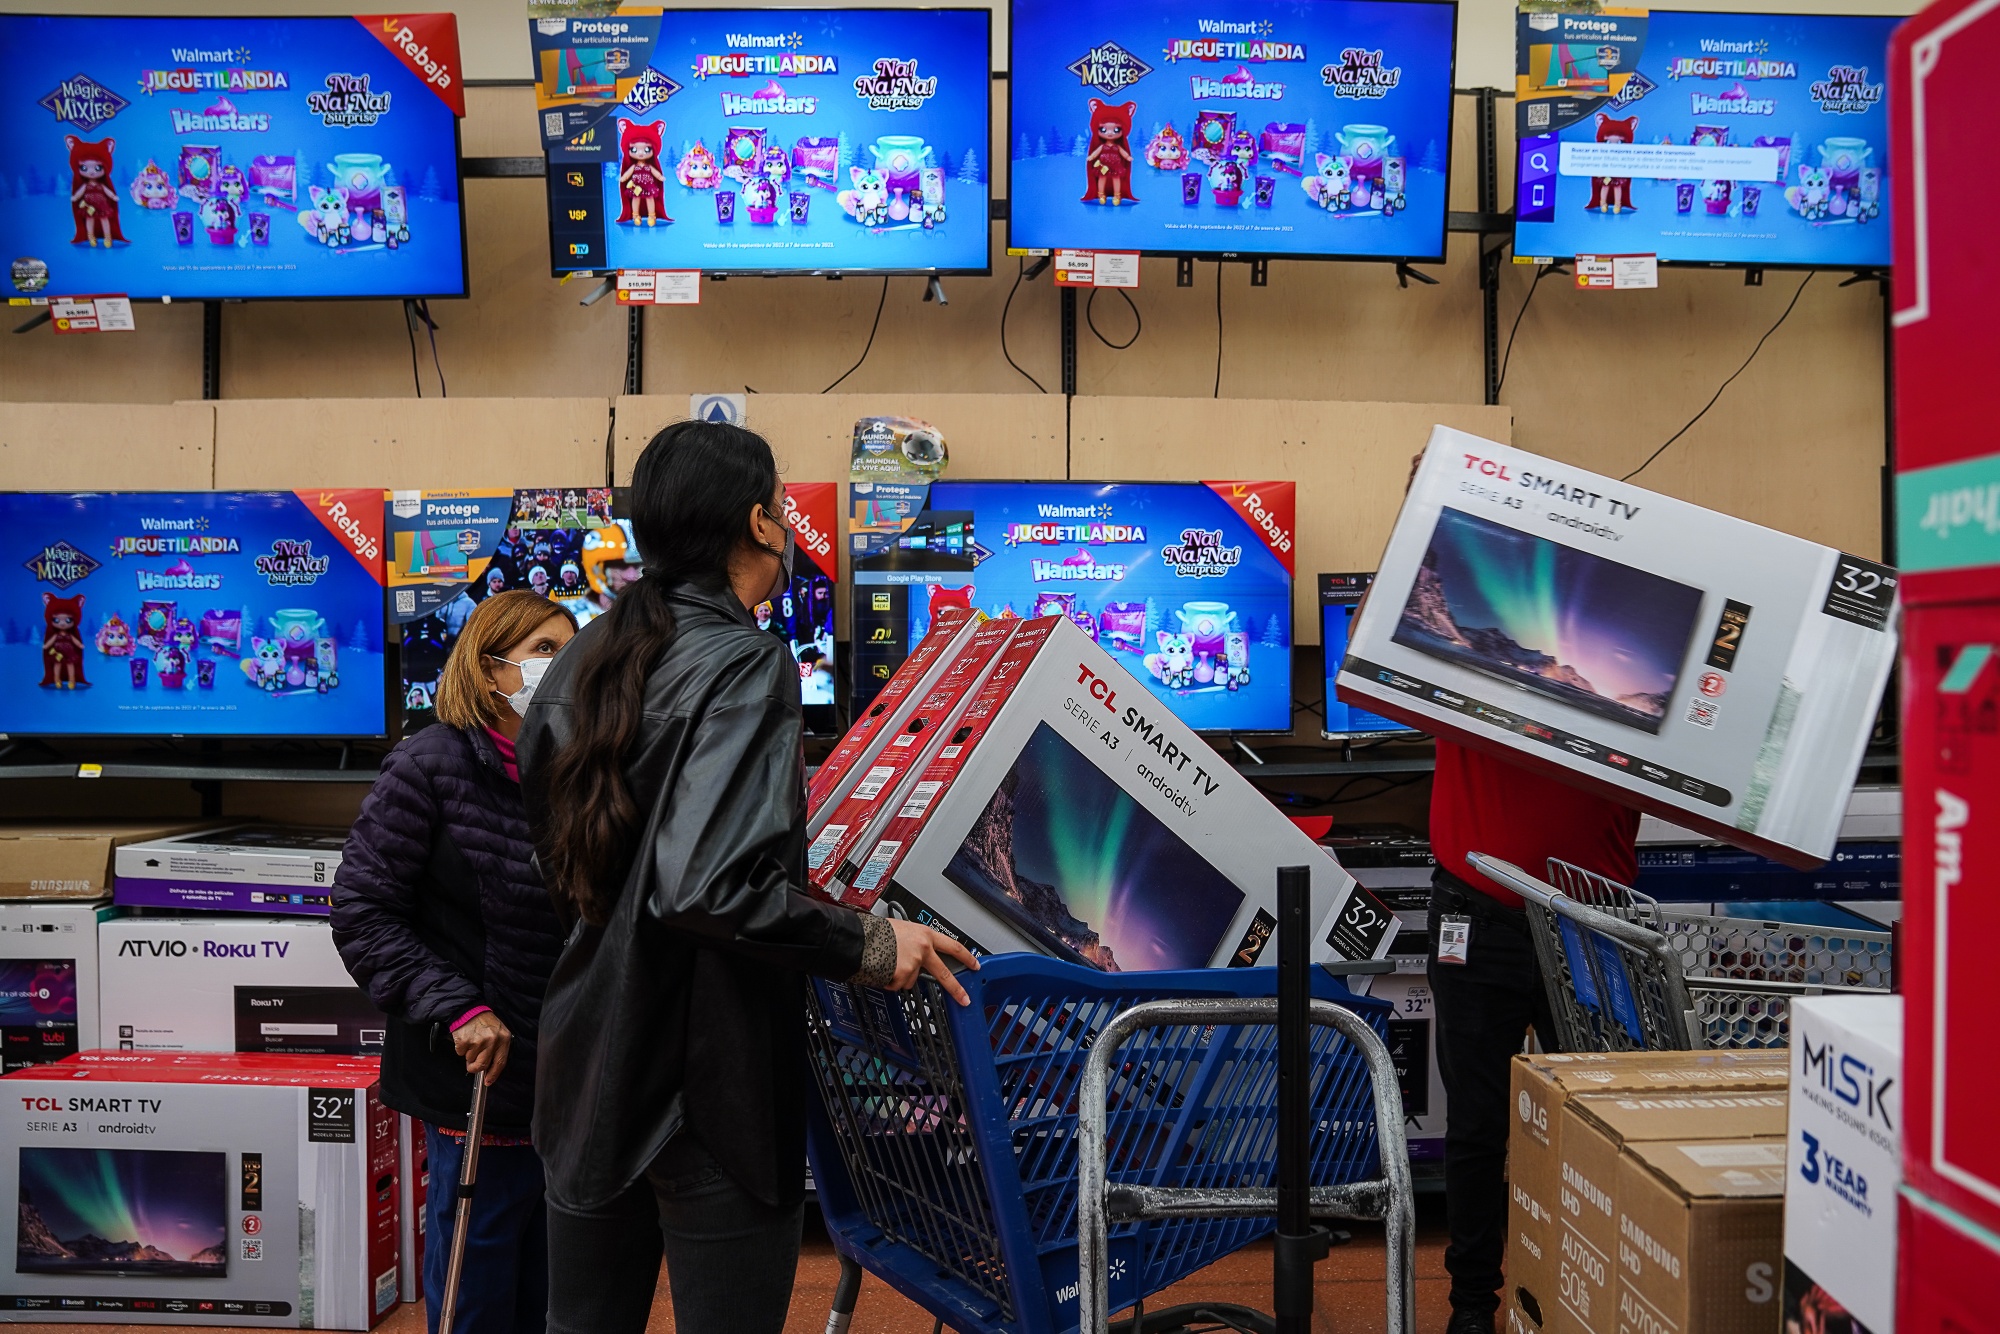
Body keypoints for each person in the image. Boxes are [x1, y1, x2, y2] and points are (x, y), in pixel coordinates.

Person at [518, 420, 976, 1334]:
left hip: (586, 1063)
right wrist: (871, 942)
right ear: (762, 523)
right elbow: (705, 888)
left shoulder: (582, 656)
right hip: (708, 1081)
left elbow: (570, 862)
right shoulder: (747, 664)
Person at [332, 589, 578, 1334]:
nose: (560, 667)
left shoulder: (572, 769)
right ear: (488, 664)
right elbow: (363, 910)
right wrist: (459, 1007)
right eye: (543, 651)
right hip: (479, 1077)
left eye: (570, 651)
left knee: (550, 1286)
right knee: (477, 1281)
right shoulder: (429, 762)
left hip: (566, 1083)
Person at [1428, 740, 1638, 1334]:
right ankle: (1471, 1305)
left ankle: (1604, 1298)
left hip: (1592, 925)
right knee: (1477, 1122)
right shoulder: (1463, 657)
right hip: (1477, 915)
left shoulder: (1627, 662)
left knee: (1605, 1122)